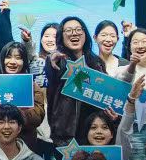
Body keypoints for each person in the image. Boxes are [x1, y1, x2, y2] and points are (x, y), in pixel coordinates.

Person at [44, 15, 103, 146]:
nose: (74, 33)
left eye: (78, 29)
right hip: (66, 138)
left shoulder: (97, 63)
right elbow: (51, 69)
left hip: (94, 135)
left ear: (85, 34)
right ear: (61, 36)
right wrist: (52, 58)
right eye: (69, 30)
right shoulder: (59, 61)